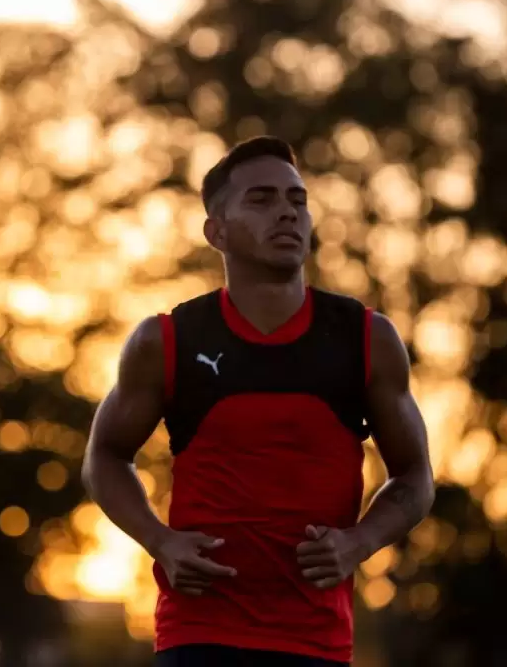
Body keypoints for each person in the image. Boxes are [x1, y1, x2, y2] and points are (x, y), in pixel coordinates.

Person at [83, 136, 435, 666]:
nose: (287, 213)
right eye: (262, 199)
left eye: (298, 200)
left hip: (315, 642)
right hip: (197, 636)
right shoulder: (167, 340)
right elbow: (104, 457)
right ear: (216, 231)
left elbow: (415, 475)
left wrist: (359, 543)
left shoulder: (366, 339)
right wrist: (160, 541)